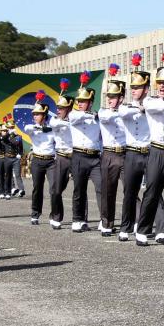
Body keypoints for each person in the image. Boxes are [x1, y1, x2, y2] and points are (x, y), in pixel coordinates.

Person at [119, 55, 164, 242]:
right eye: (133, 88)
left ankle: (162, 228)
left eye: (138, 88)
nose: (134, 91)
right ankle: (126, 226)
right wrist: (140, 108)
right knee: (129, 191)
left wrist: (146, 107)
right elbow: (124, 112)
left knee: (155, 191)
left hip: (151, 152)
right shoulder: (126, 106)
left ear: (146, 88)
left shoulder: (154, 103)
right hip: (131, 153)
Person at [135, 63, 164, 246]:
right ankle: (143, 230)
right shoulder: (150, 101)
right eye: (159, 83)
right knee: (152, 191)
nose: (161, 86)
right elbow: (162, 108)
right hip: (157, 151)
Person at [68, 74, 102, 232]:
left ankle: (105, 219)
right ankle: (78, 219)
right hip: (79, 156)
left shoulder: (97, 117)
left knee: (102, 187)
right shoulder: (74, 115)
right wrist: (92, 114)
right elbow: (76, 118)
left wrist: (97, 115)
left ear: (91, 102)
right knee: (79, 189)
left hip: (95, 157)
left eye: (83, 101)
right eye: (79, 101)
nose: (80, 104)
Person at [97, 67, 128, 238]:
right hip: (109, 154)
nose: (109, 99)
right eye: (108, 96)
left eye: (113, 97)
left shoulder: (126, 111)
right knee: (108, 191)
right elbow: (106, 117)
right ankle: (107, 223)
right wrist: (121, 113)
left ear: (121, 98)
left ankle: (133, 221)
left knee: (130, 189)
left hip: (125, 154)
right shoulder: (103, 111)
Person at [24, 91, 55, 225]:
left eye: (37, 114)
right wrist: (41, 128)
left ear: (44, 115)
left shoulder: (53, 127)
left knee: (54, 188)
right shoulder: (31, 127)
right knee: (37, 188)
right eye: (34, 114)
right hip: (37, 160)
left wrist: (49, 128)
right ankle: (35, 213)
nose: (35, 116)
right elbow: (27, 128)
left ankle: (55, 215)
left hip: (51, 161)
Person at [48, 80, 75, 229]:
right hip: (62, 157)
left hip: (76, 156)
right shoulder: (54, 120)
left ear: (69, 108)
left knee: (80, 189)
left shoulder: (76, 118)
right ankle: (56, 215)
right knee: (56, 189)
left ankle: (80, 219)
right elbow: (56, 124)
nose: (58, 110)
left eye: (62, 108)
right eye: (57, 107)